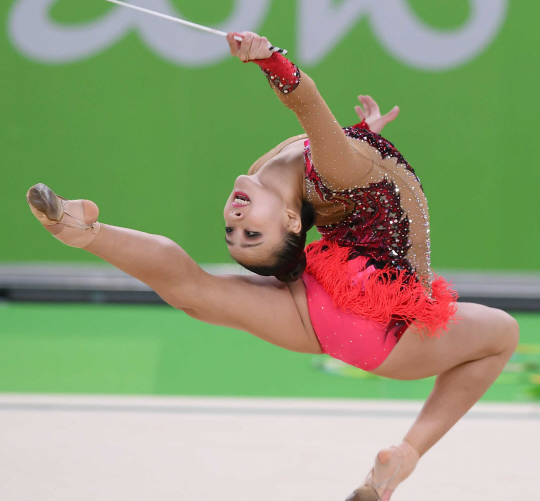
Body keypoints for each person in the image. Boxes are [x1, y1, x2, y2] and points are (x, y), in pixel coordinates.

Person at [26, 31, 519, 501]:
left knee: (198, 294)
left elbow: (342, 157)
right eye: (251, 234)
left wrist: (365, 136)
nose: (236, 222)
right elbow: (308, 103)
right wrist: (269, 59)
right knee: (501, 335)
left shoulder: (293, 170)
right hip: (387, 325)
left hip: (329, 312)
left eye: (235, 234)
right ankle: (408, 454)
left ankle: (82, 230)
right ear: (291, 221)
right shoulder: (332, 169)